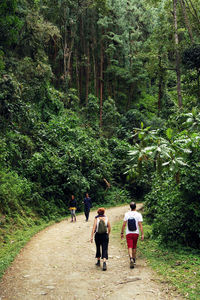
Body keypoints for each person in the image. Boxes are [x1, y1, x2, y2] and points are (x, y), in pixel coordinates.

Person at [121, 202, 144, 269]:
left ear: (130, 207)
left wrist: (122, 233)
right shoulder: (138, 214)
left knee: (129, 246)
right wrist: (142, 234)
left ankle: (131, 258)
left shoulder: (127, 214)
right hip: (136, 233)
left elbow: (124, 224)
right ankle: (134, 259)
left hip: (128, 233)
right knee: (134, 246)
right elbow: (140, 225)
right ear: (135, 207)